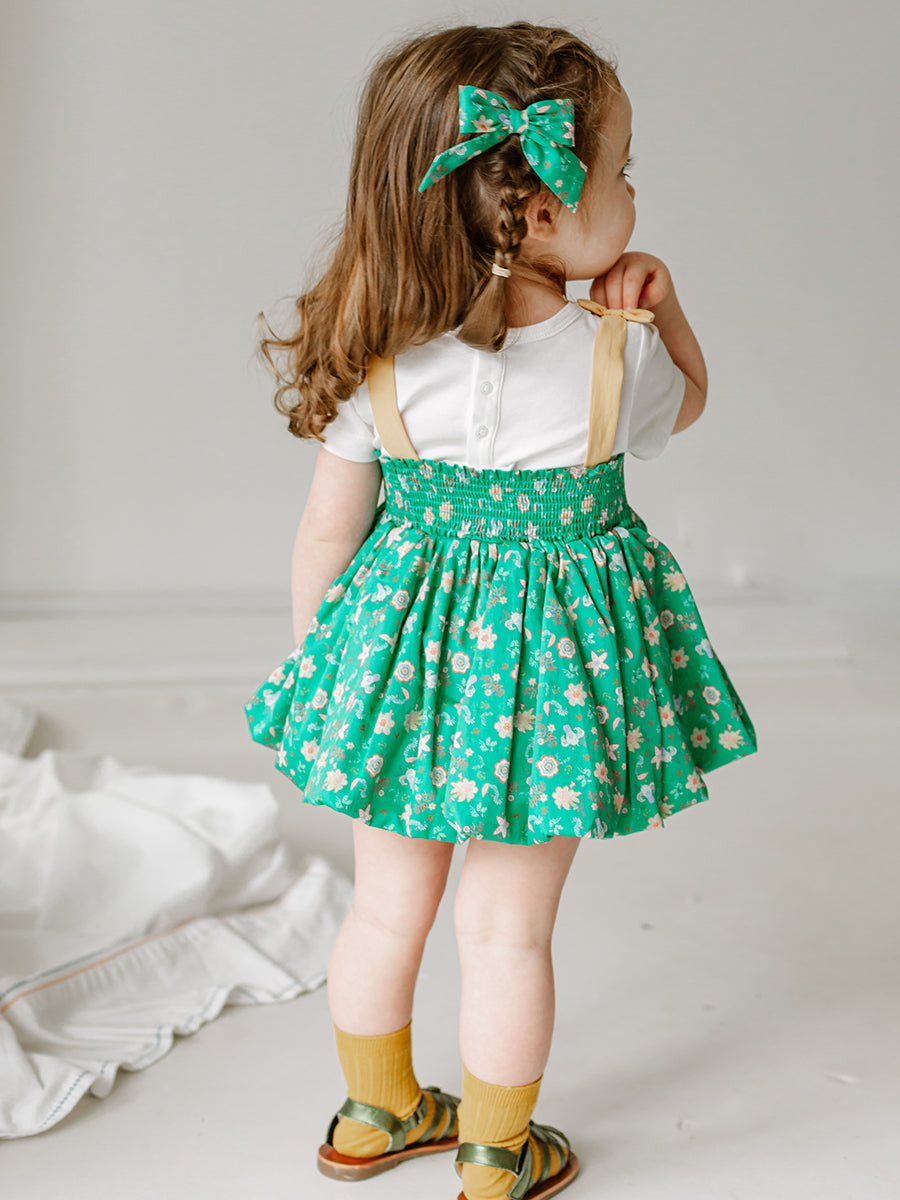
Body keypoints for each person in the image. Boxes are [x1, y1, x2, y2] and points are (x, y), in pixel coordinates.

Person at [243, 20, 757, 1200]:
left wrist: (328, 672)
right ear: (540, 210)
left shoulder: (379, 349)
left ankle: (375, 1114)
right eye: (621, 170)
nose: (632, 193)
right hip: (548, 694)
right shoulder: (615, 359)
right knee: (506, 933)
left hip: (400, 673)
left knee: (386, 910)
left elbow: (327, 532)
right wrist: (664, 306)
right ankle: (494, 1152)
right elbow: (689, 404)